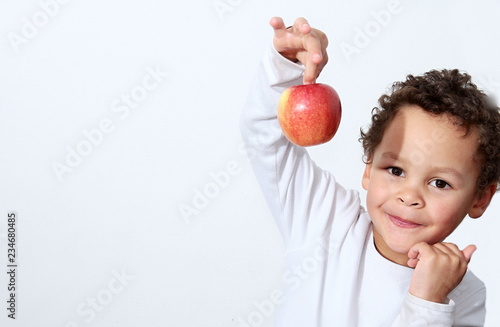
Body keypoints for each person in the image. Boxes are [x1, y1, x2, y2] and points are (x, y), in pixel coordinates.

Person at [240, 17, 500, 326]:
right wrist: (286, 66)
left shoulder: (463, 296)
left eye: (440, 183)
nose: (409, 196)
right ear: (368, 168)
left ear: (480, 198)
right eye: (395, 170)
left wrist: (428, 302)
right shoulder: (326, 220)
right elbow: (266, 140)